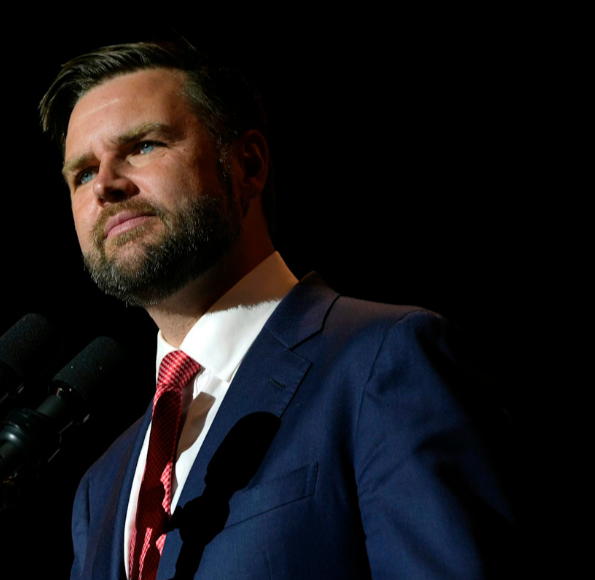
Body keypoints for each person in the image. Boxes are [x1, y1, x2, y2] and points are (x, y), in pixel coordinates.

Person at [40, 41, 518, 580]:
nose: (105, 185)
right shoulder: (100, 489)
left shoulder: (386, 361)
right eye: (81, 173)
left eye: (145, 146)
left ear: (247, 164)